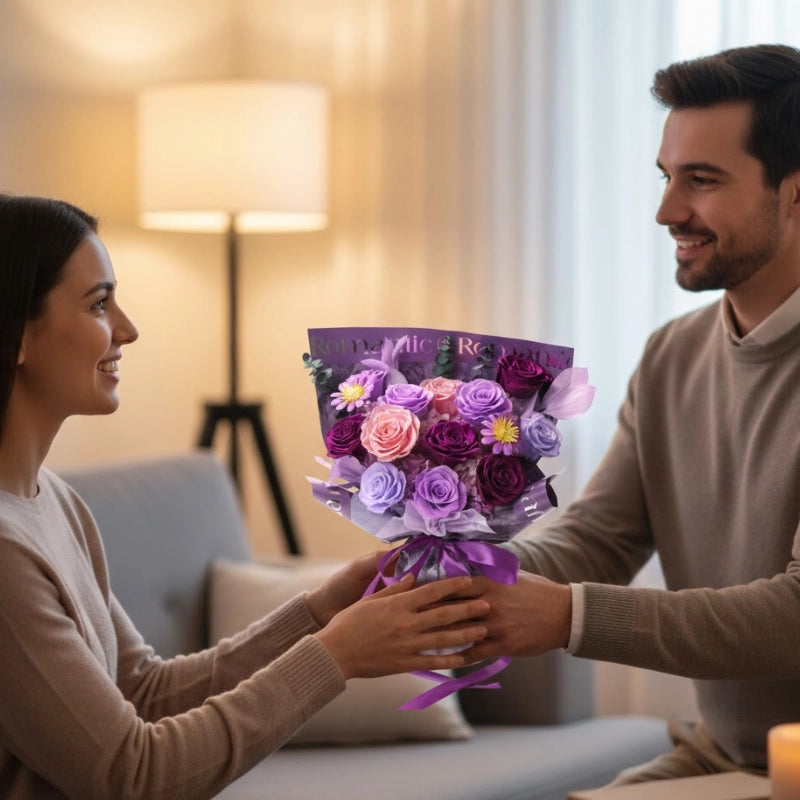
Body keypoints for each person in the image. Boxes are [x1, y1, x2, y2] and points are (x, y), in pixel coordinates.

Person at [0, 193, 491, 800]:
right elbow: (133, 775)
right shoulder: (5, 555)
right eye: (100, 303)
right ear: (17, 334)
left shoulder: (56, 502)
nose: (128, 328)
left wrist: (319, 612)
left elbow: (144, 692)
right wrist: (334, 656)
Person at [462, 43, 800, 783]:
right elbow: (602, 534)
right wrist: (475, 576)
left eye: (702, 181)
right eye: (667, 177)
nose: (667, 211)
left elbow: (793, 617)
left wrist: (566, 616)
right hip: (729, 754)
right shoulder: (672, 356)